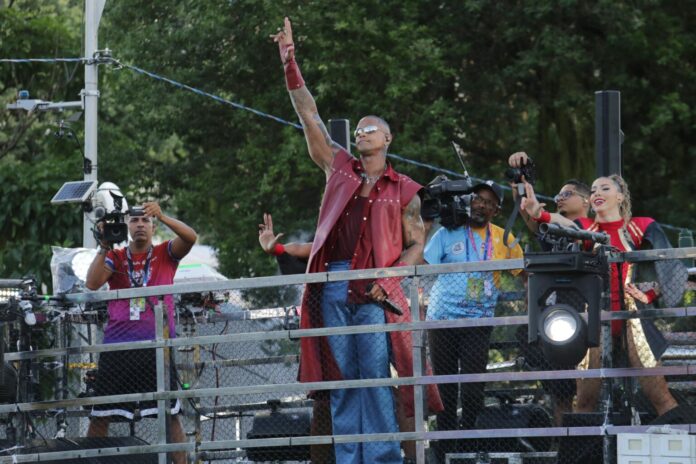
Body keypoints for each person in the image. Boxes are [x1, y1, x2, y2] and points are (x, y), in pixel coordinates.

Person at [271, 17, 442, 463]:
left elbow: (417, 245)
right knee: (343, 377)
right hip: (333, 280)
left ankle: (383, 457)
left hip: (375, 286)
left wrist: (389, 277)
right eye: (359, 129)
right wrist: (290, 64)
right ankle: (350, 458)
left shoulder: (404, 189)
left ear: (388, 138)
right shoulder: (339, 166)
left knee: (376, 375)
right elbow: (308, 114)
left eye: (371, 129)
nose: (362, 133)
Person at [521, 174, 690, 422]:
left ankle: (681, 442)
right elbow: (560, 222)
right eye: (593, 190)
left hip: (632, 318)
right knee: (585, 400)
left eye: (605, 188)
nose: (597, 193)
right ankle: (581, 447)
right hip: (596, 318)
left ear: (620, 196)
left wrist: (650, 294)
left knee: (659, 396)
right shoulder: (585, 226)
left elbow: (672, 267)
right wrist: (539, 213)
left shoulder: (640, 226)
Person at [85, 202, 197, 464]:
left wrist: (163, 216)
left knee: (170, 414)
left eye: (145, 220)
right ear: (127, 226)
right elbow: (92, 283)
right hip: (118, 347)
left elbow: (191, 237)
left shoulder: (165, 252)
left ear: (153, 227)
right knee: (100, 415)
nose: (139, 225)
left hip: (156, 347)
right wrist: (103, 245)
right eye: (134, 220)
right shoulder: (116, 256)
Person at [423, 181, 524, 460]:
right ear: (469, 201)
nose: (481, 205)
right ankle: (445, 446)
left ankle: (468, 444)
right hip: (442, 320)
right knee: (444, 385)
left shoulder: (504, 238)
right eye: (478, 199)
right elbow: (422, 265)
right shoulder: (448, 231)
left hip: (478, 323)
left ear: (496, 210)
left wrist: (535, 305)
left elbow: (525, 273)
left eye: (489, 202)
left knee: (473, 384)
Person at [508, 151, 591, 425]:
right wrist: (520, 184)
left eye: (567, 194)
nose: (559, 198)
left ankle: (586, 442)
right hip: (555, 316)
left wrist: (541, 213)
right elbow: (531, 219)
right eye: (558, 195)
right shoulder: (553, 228)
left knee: (585, 390)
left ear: (586, 200)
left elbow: (554, 220)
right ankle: (562, 442)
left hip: (583, 311)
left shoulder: (591, 227)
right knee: (560, 392)